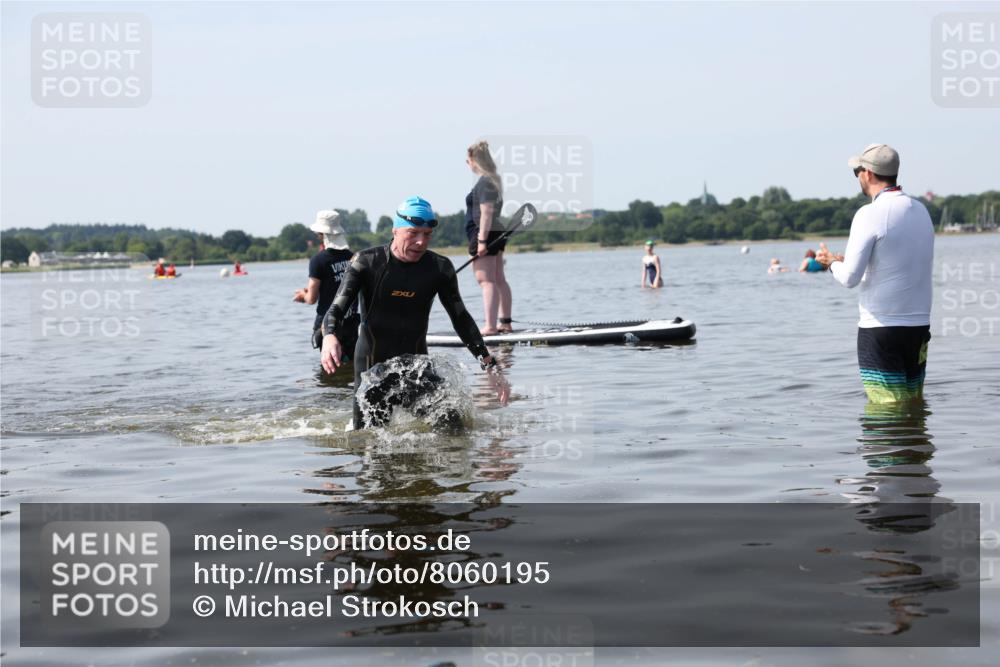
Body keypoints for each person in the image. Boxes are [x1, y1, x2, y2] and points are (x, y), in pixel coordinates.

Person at [320, 196, 506, 429]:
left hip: (416, 368)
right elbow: (336, 308)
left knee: (454, 429)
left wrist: (489, 366)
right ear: (395, 230)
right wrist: (329, 335)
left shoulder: (439, 268)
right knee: (367, 442)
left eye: (427, 235)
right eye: (413, 233)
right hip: (371, 369)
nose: (420, 242)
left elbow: (461, 319)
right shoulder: (366, 262)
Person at [816, 143, 934, 404]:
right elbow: (898, 262)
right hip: (918, 326)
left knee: (886, 410)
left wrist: (830, 263)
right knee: (914, 402)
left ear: (867, 173)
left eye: (857, 171)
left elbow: (849, 279)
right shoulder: (921, 211)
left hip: (881, 328)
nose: (857, 176)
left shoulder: (868, 214)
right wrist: (847, 262)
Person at [294, 210, 360, 355]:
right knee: (351, 367)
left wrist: (302, 296)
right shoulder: (353, 257)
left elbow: (311, 299)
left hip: (327, 325)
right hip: (351, 323)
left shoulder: (318, 260)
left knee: (329, 368)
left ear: (320, 234)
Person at [465, 140, 513, 334]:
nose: (467, 164)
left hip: (485, 234)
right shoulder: (493, 180)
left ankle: (491, 326)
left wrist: (482, 242)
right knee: (498, 279)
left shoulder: (485, 182)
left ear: (474, 161)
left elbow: (487, 212)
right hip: (496, 233)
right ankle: (505, 323)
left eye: (467, 160)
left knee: (487, 281)